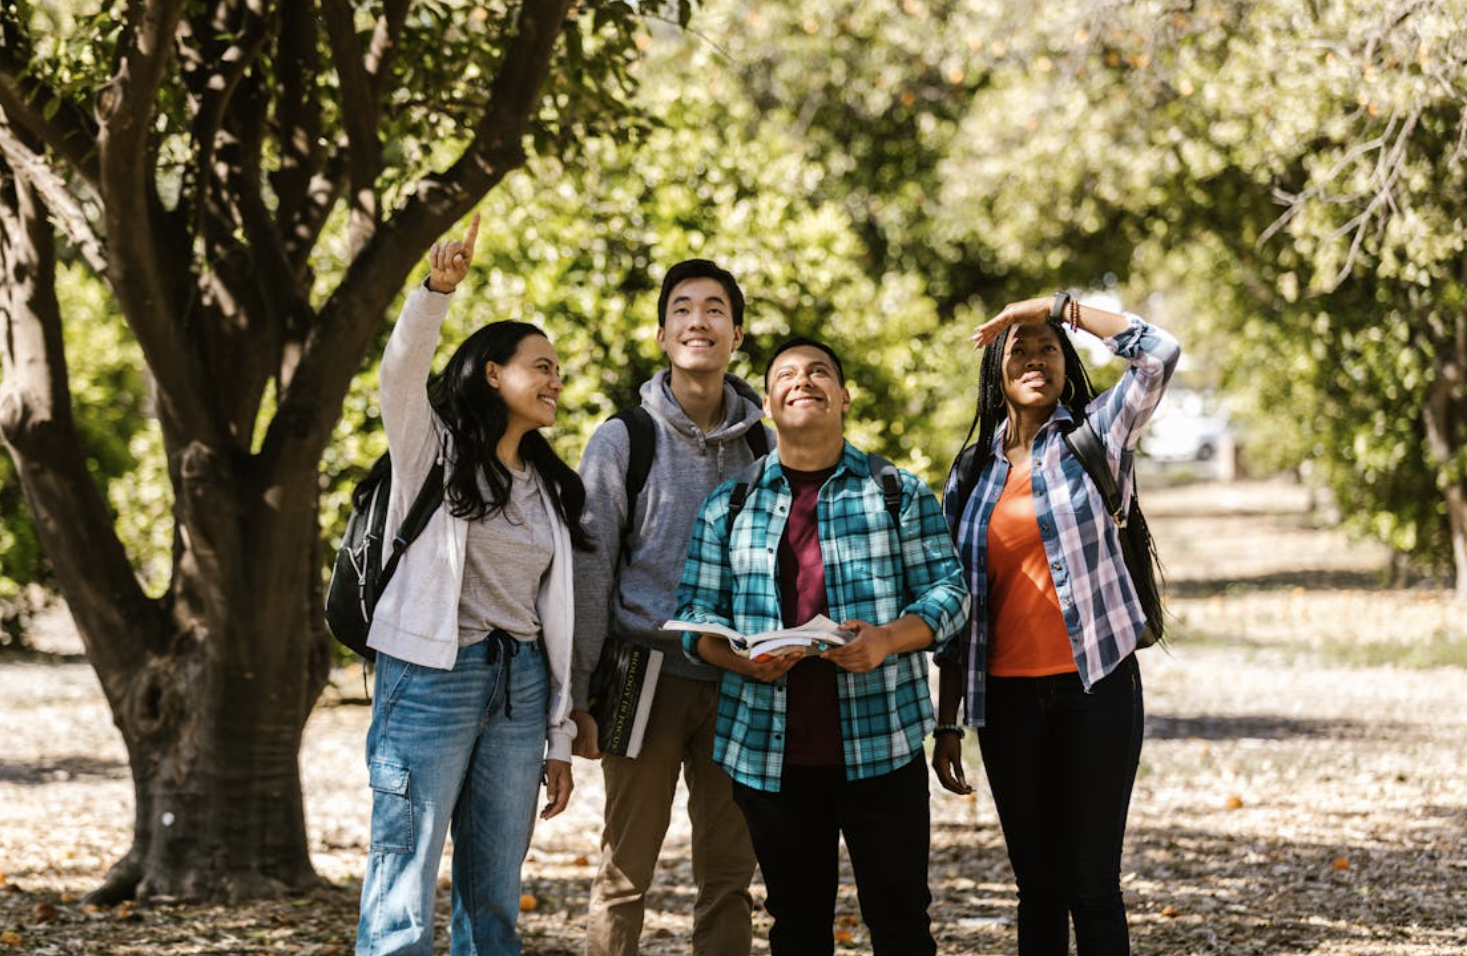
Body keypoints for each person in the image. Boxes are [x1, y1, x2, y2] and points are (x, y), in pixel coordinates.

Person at [673, 337, 970, 956]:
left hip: (882, 746)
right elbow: (693, 616)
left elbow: (952, 594)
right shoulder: (731, 504)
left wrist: (888, 640)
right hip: (767, 755)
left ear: (844, 397)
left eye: (818, 373)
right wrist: (737, 659)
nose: (802, 381)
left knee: (901, 922)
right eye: (785, 375)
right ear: (766, 404)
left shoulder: (898, 492)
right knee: (797, 926)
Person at [355, 214, 590, 956]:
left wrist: (556, 735)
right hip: (430, 676)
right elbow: (399, 374)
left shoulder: (552, 489)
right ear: (494, 373)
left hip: (519, 686)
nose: (555, 380)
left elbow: (551, 623)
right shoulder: (434, 450)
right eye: (540, 366)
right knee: (403, 879)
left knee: (494, 895)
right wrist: (435, 293)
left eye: (557, 369)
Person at [931, 292, 1181, 956]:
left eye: (1048, 348)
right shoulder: (970, 472)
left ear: (1067, 365)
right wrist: (947, 721)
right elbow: (958, 608)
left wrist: (1054, 306)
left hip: (1094, 688)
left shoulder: (1096, 433)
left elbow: (1158, 352)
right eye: (1020, 349)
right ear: (996, 372)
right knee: (1035, 888)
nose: (1036, 358)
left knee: (1091, 884)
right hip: (1004, 702)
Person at [570, 260, 767, 956]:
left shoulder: (764, 445)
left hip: (738, 684)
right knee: (624, 871)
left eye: (714, 309)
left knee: (729, 876)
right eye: (681, 309)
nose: (698, 321)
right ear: (661, 334)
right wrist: (576, 693)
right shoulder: (624, 440)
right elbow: (590, 571)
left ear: (736, 334)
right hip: (638, 678)